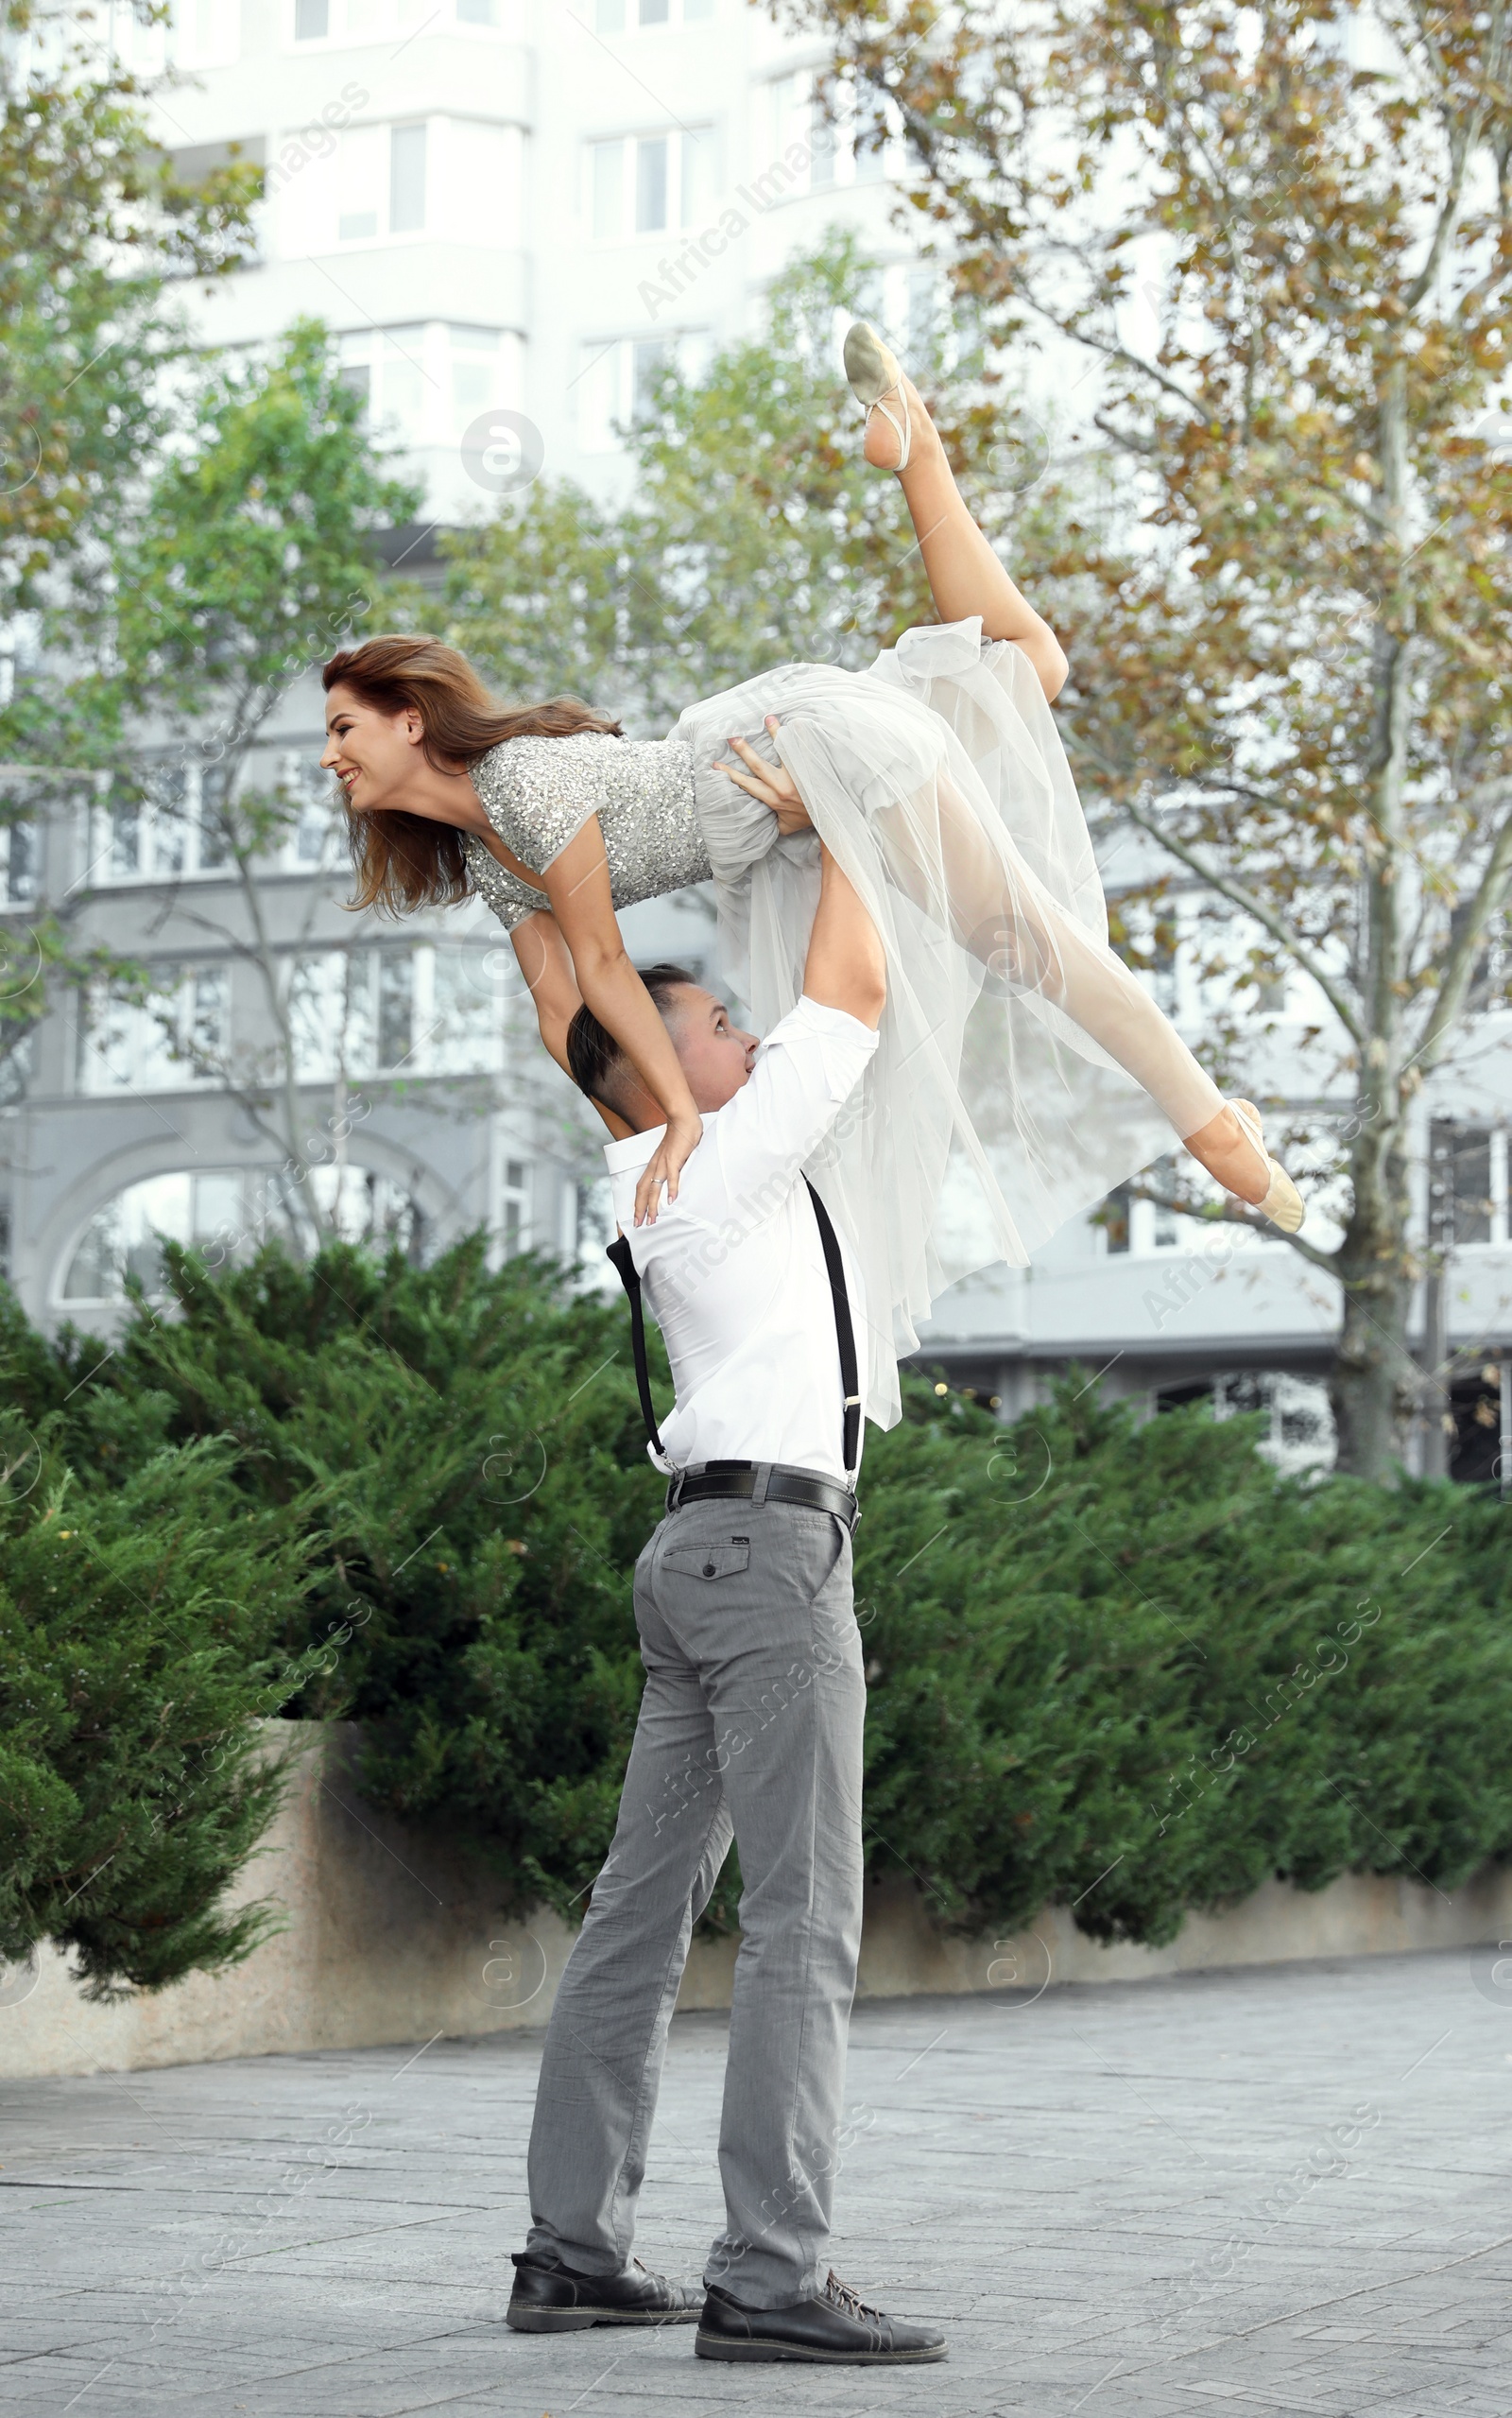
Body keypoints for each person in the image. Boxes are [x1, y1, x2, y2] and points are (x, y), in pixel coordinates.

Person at [323, 323, 1303, 1428]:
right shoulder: (487, 859)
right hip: (775, 793)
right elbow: (565, 1019)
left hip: (786, 757)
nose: (330, 754)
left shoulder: (516, 785)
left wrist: (682, 1130)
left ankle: (1207, 1122)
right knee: (1028, 669)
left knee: (1011, 933)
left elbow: (601, 963)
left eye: (344, 728)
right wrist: (635, 1141)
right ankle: (916, 450)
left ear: (411, 721)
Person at [503, 841, 946, 2367]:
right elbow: (859, 980)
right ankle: (771, 2269)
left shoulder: (643, 1167)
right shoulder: (728, 1152)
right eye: (714, 1019)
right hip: (765, 1559)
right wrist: (858, 805)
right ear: (655, 1060)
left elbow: (559, 981)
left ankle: (571, 2251)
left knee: (639, 1911)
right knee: (804, 1920)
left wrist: (522, 843)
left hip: (693, 1558)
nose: (747, 1035)